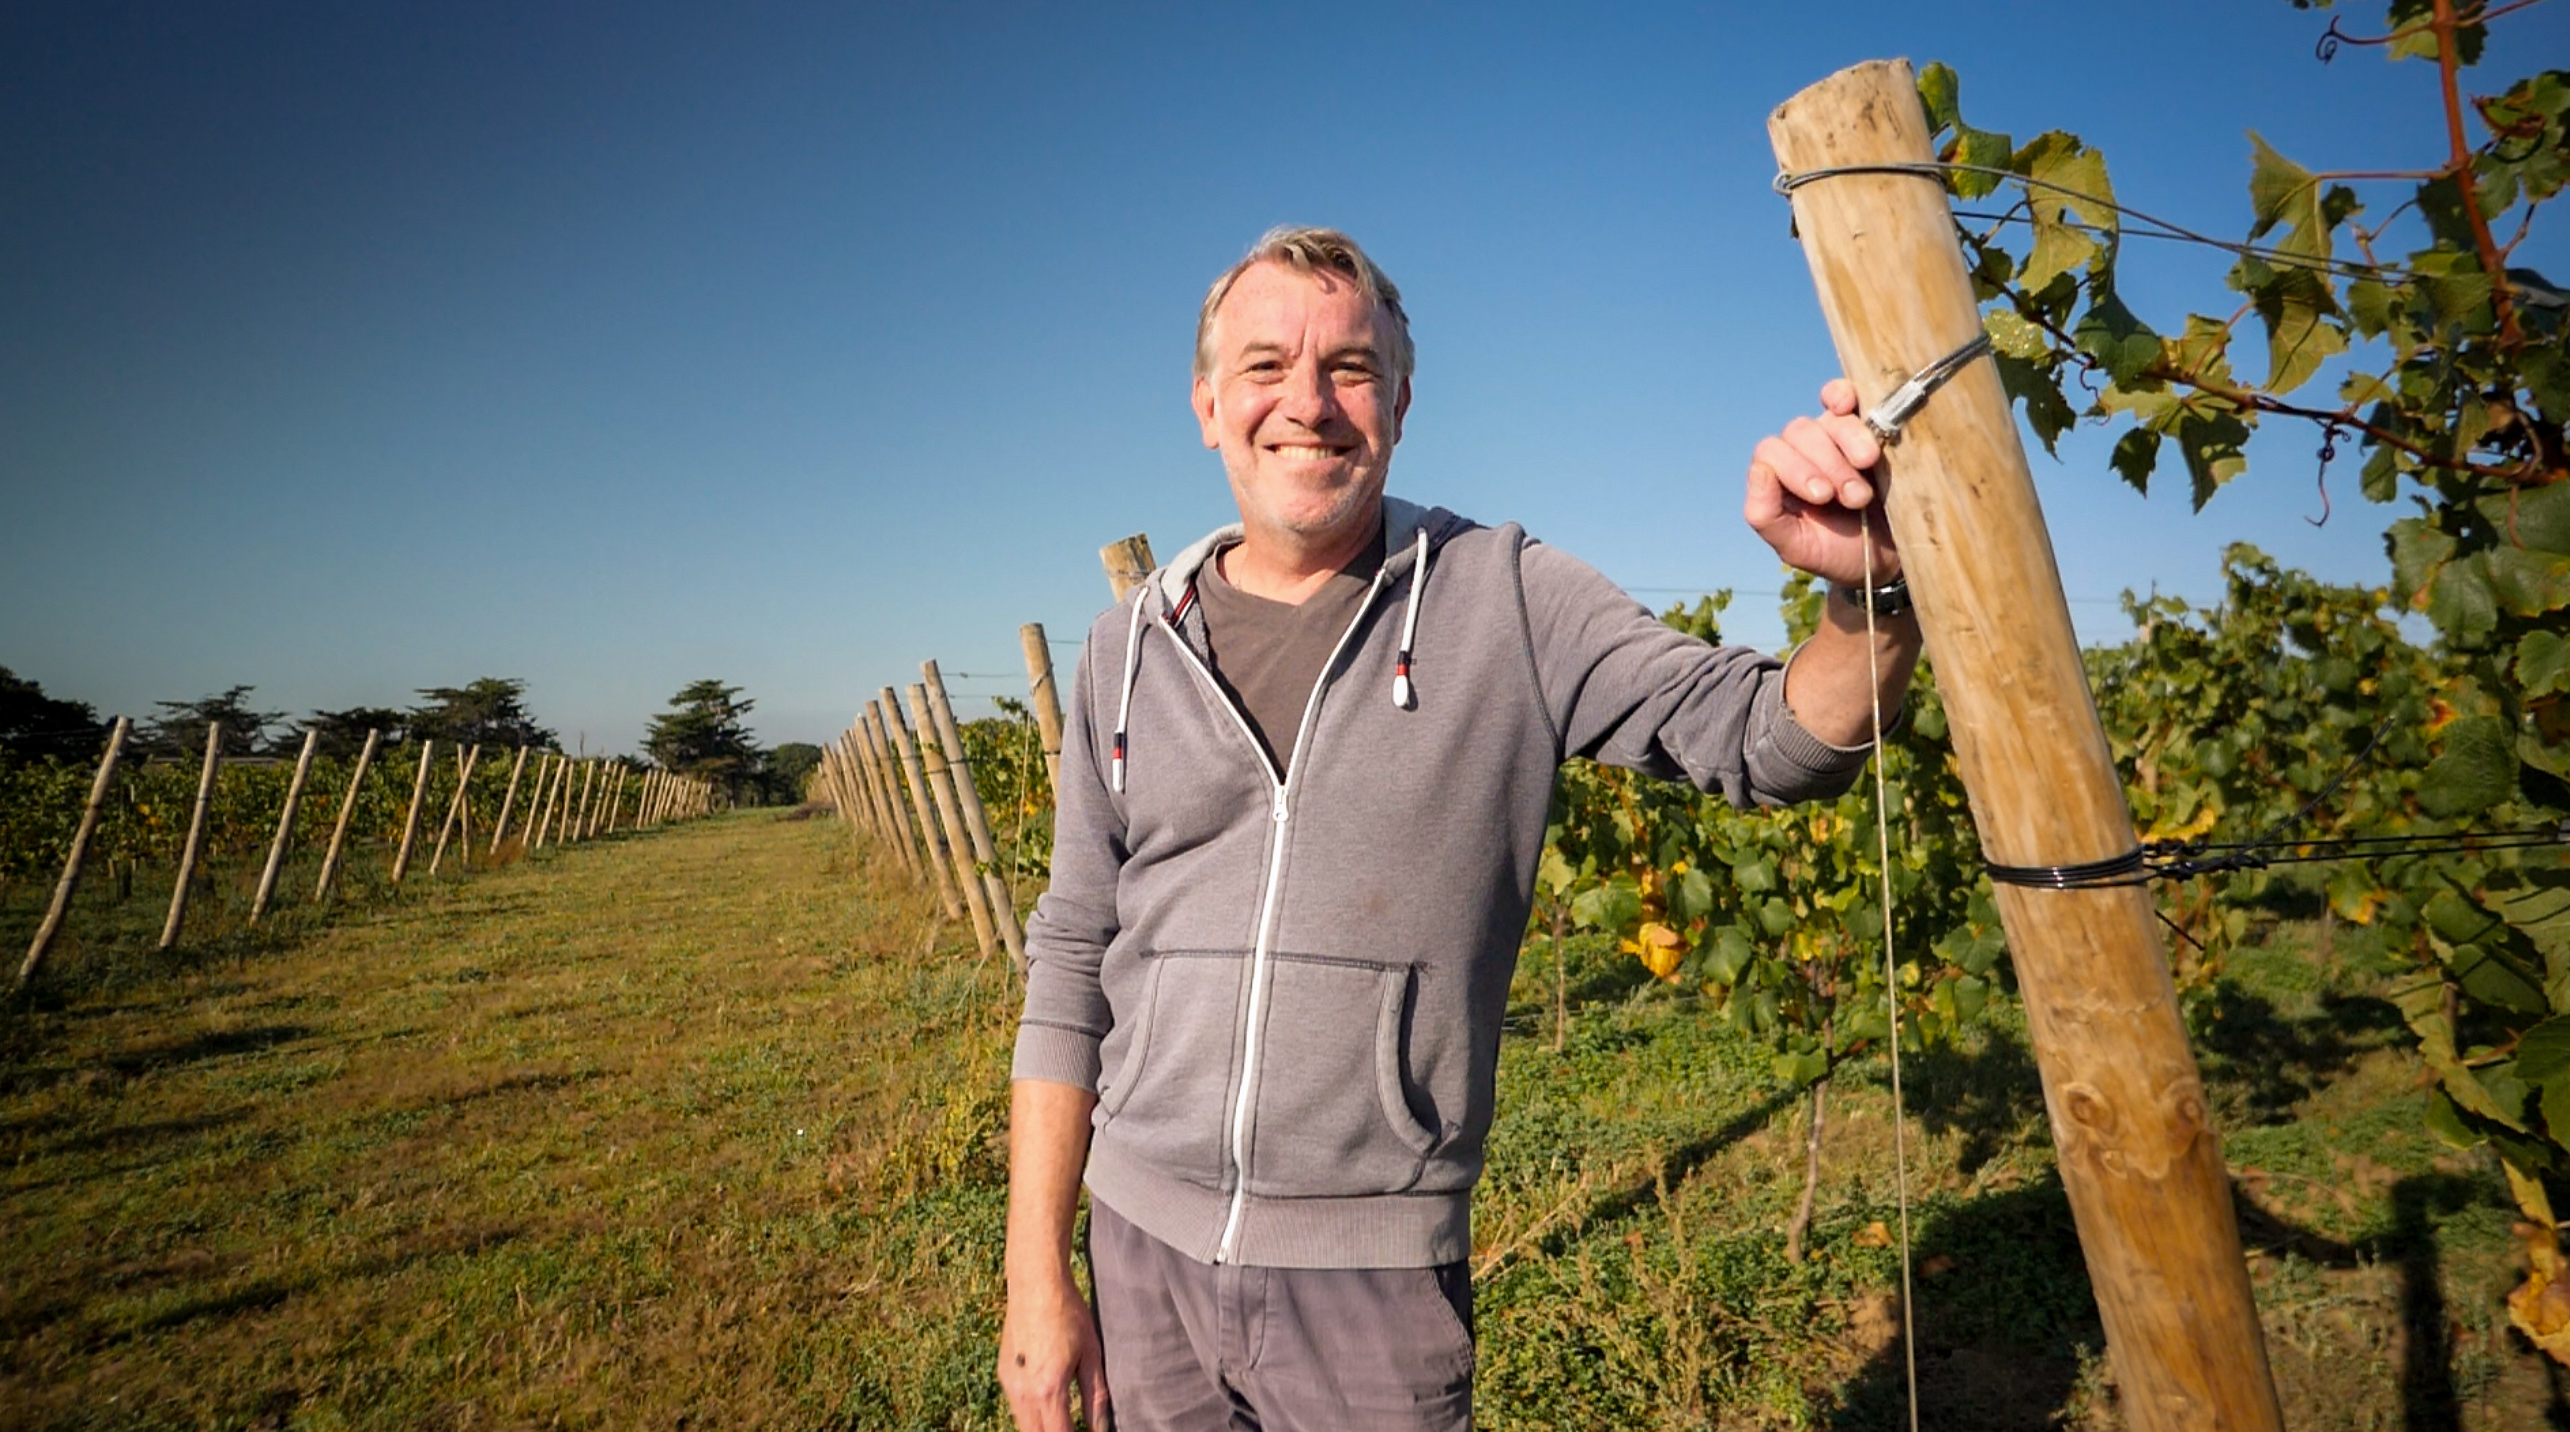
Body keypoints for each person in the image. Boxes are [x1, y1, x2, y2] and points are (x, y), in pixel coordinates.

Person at [999, 226, 1922, 1431]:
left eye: (1350, 368)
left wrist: (1871, 596)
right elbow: (1071, 953)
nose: (1308, 405)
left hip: (1371, 1283)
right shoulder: (1128, 648)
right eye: (1266, 365)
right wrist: (1035, 1275)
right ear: (1207, 402)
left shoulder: (1508, 597)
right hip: (1136, 1252)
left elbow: (1770, 742)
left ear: (1399, 399)